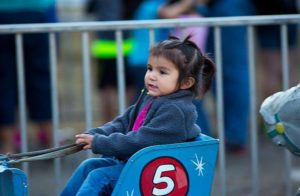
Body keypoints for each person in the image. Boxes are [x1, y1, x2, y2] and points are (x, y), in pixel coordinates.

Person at [60, 35, 216, 195]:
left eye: (162, 72)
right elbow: (123, 122)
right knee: (89, 165)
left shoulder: (176, 110)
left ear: (186, 83)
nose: (152, 76)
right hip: (135, 164)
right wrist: (95, 134)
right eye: (150, 68)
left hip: (149, 172)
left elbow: (143, 140)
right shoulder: (152, 97)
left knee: (99, 177)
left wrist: (100, 142)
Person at [0, 0, 57, 153]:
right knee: (40, 81)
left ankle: (8, 146)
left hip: (4, 13)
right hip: (35, 12)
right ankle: (50, 140)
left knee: (4, 83)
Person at [158, 0, 212, 133]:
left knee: (195, 108)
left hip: (191, 70)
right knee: (189, 107)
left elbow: (193, 50)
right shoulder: (183, 19)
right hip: (185, 70)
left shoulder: (195, 20)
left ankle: (203, 142)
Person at [253, 0, 298, 98]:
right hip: (286, 14)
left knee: (273, 72)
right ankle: (289, 110)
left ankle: (273, 111)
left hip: (269, 14)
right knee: (285, 71)